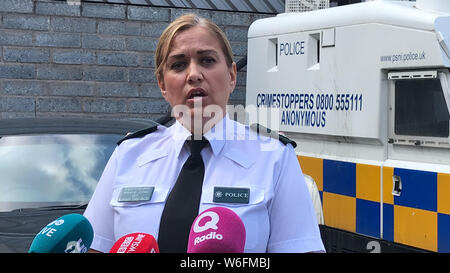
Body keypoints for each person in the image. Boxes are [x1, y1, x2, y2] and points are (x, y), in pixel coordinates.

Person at [83, 13, 325, 253]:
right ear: (162, 84)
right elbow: (96, 246)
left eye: (207, 60)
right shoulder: (129, 155)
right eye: (178, 64)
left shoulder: (273, 157)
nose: (194, 74)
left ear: (231, 75)